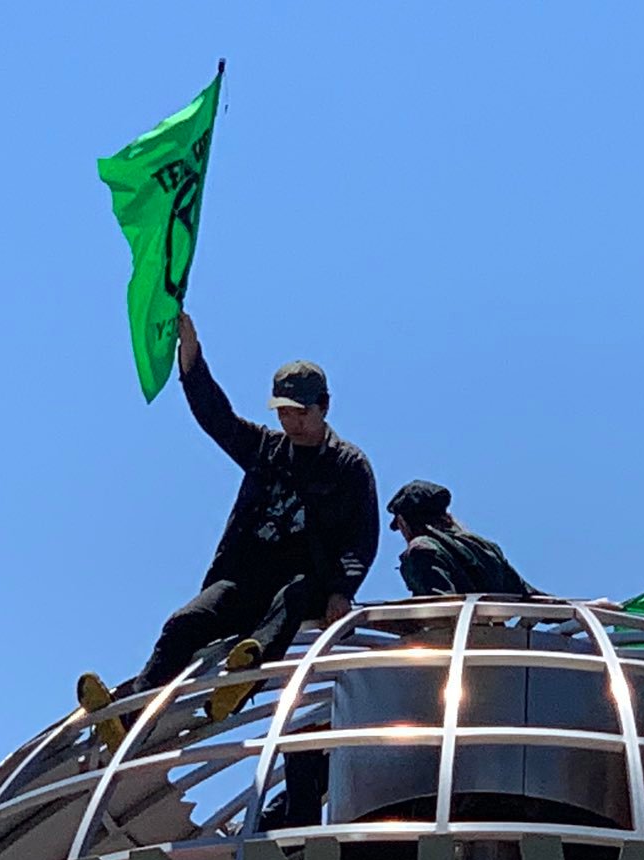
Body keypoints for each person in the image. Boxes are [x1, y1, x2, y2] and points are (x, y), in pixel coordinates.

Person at [79, 313, 379, 744]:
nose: (290, 423)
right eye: (283, 413)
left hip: (302, 583)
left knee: (292, 597)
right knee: (184, 623)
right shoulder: (266, 449)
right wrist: (191, 356)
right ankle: (126, 718)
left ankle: (243, 679)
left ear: (324, 406)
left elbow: (362, 536)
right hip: (245, 578)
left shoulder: (348, 465)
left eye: (300, 413)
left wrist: (341, 589)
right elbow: (217, 418)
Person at [260, 480, 543, 831]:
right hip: (495, 688)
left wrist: (374, 620)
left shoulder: (420, 551)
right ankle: (276, 829)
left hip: (439, 687)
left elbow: (444, 613)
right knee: (323, 748)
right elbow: (531, 599)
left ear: (406, 523)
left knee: (308, 748)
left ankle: (282, 834)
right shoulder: (486, 550)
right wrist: (588, 609)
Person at [385, 480, 540, 598]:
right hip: (494, 637)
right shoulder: (484, 547)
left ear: (404, 523)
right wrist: (561, 613)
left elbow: (441, 608)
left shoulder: (420, 550)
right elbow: (527, 594)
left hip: (452, 638)